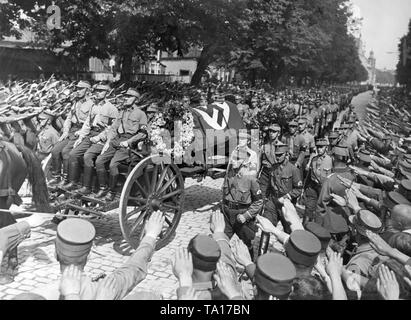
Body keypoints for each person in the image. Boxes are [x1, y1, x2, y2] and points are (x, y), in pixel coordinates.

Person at [32, 211, 165, 300]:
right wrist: (151, 235)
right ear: (89, 256)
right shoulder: (106, 288)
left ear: (55, 254)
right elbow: (133, 269)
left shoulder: (39, 294)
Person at [90, 88, 147, 199]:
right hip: (117, 140)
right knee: (99, 161)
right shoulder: (122, 112)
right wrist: (108, 141)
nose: (125, 98)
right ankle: (103, 188)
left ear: (135, 99)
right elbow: (113, 128)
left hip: (130, 143)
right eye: (125, 96)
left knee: (113, 164)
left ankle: (112, 192)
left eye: (128, 97)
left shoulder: (140, 114)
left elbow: (143, 134)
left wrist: (129, 142)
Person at [64, 84, 118, 191]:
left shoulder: (112, 109)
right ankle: (73, 182)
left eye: (101, 91)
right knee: (73, 153)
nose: (97, 93)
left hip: (103, 138)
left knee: (87, 156)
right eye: (96, 91)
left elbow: (113, 128)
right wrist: (81, 137)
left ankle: (87, 187)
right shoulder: (94, 106)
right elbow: (87, 124)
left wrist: (99, 137)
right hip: (91, 135)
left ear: (106, 93)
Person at [48, 81, 93, 186]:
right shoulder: (76, 102)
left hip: (83, 132)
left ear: (87, 91)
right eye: (77, 89)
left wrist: (81, 132)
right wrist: (66, 131)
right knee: (55, 150)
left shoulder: (91, 104)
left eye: (81, 89)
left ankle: (67, 178)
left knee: (65, 152)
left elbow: (91, 123)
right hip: (72, 131)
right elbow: (69, 118)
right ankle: (56, 176)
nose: (78, 91)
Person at [222, 146, 263, 259]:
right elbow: (224, 192)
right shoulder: (229, 173)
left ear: (244, 161)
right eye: (233, 158)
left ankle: (249, 268)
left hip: (242, 216)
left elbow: (259, 201)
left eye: (237, 159)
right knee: (221, 241)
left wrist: (246, 216)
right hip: (227, 213)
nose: (233, 161)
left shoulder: (250, 177)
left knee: (247, 244)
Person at [263, 143, 302, 234]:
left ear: (286, 154)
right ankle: (262, 249)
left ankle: (288, 248)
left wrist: (286, 197)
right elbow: (268, 185)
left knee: (289, 231)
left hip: (286, 204)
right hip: (273, 201)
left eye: (280, 155)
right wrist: (265, 199)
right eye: (276, 155)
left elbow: (299, 189)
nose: (277, 157)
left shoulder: (293, 170)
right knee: (266, 228)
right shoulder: (273, 168)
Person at [303, 138, 333, 224]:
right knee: (309, 208)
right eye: (318, 147)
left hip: (324, 188)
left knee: (321, 210)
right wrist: (304, 188)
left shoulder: (330, 160)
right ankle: (305, 228)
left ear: (326, 148)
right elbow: (309, 175)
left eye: (321, 147)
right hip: (313, 187)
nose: (319, 149)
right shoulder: (314, 159)